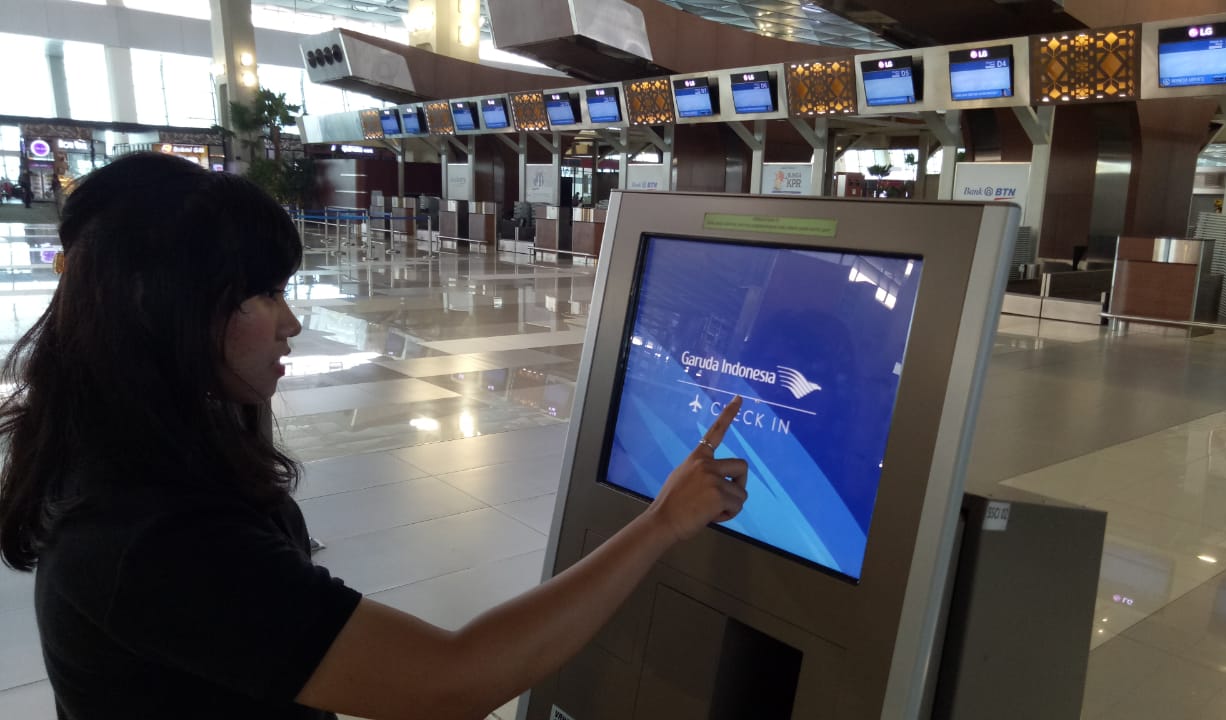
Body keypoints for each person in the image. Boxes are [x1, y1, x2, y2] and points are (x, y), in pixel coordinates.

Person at [0, 151, 748, 719]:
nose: (290, 322)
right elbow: (455, 678)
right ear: (162, 307)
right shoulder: (157, 538)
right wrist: (662, 523)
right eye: (262, 294)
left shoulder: (120, 445)